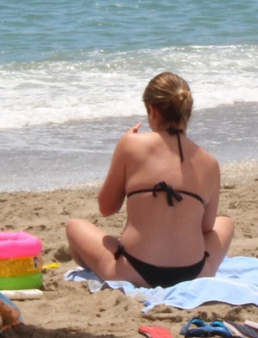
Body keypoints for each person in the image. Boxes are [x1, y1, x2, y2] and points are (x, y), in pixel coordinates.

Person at [64, 72, 236, 288]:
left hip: (134, 270)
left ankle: (93, 266)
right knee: (225, 223)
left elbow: (106, 207)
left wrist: (126, 144)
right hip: (193, 272)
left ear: (152, 110)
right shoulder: (210, 162)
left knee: (74, 226)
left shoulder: (131, 144)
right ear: (187, 112)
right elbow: (206, 226)